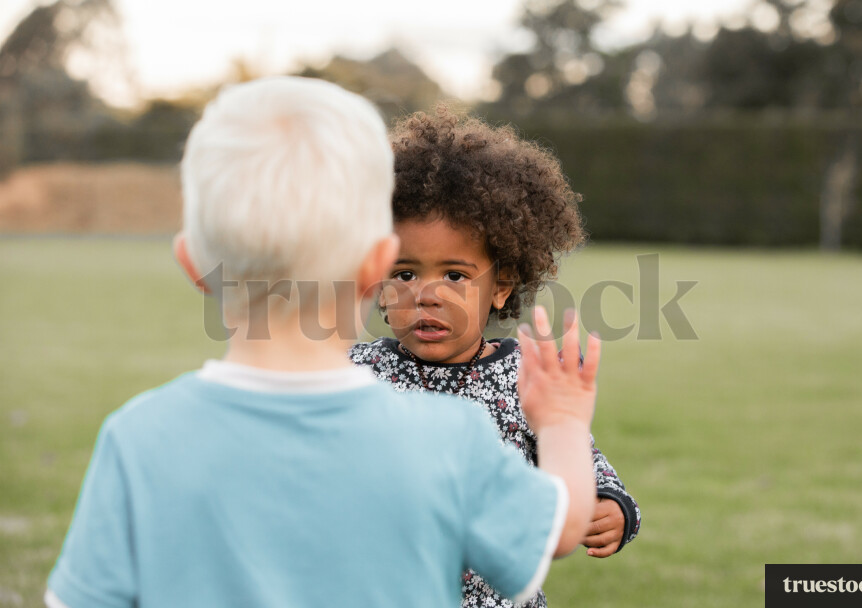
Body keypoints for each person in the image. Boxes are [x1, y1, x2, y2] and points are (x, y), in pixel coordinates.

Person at [44, 77, 602, 608]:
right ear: (377, 269)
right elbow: (561, 526)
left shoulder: (138, 437)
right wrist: (563, 422)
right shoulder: (446, 438)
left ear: (193, 265)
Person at [350, 107, 641, 608]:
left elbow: (579, 458)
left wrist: (613, 506)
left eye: (456, 276)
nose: (427, 294)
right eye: (404, 274)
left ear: (501, 286)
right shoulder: (357, 374)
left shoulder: (523, 378)